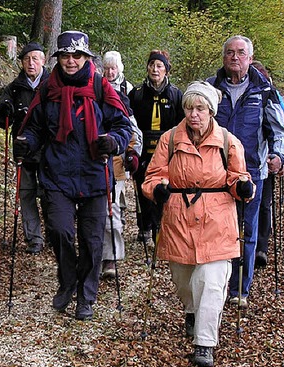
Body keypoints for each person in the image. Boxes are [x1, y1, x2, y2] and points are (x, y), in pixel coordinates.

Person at [16, 30, 132, 320]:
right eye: (65, 55)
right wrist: (27, 143)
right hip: (57, 174)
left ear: (86, 57)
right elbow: (35, 128)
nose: (71, 61)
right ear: (58, 58)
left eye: (77, 55)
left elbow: (123, 125)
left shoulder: (102, 88)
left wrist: (113, 142)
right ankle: (67, 281)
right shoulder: (48, 89)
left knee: (92, 241)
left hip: (94, 174)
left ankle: (86, 296)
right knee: (59, 231)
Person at [142, 81, 254, 367]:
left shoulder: (228, 141)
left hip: (217, 220)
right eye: (189, 108)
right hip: (179, 219)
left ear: (211, 111)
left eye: (200, 108)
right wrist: (158, 189)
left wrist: (243, 188)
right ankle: (191, 310)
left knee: (211, 281)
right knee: (184, 280)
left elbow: (239, 177)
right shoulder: (170, 139)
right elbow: (152, 176)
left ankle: (205, 342)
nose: (194, 114)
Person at [207, 35, 284, 307]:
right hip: (215, 172)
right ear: (223, 58)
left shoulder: (264, 91)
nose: (235, 57)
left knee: (247, 231)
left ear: (250, 58)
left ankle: (239, 289)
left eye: (241, 53)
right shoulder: (210, 88)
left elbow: (279, 130)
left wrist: (279, 156)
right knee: (217, 229)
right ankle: (216, 283)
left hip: (252, 172)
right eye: (230, 52)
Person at [0, 42, 50, 255]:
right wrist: (5, 111)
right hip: (23, 151)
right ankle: (34, 238)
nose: (31, 63)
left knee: (48, 194)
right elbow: (1, 122)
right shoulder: (14, 88)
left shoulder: (52, 84)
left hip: (48, 150)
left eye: (35, 58)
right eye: (27, 59)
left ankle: (54, 232)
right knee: (26, 194)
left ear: (43, 61)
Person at [129, 50, 185, 244]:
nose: (155, 69)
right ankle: (144, 226)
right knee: (143, 186)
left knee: (164, 187)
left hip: (167, 148)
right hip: (143, 148)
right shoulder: (136, 94)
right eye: (152, 65)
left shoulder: (176, 94)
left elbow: (181, 125)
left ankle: (160, 228)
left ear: (166, 70)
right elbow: (129, 123)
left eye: (159, 66)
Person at [101, 51, 143, 278]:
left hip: (115, 165)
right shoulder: (92, 92)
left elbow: (133, 130)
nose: (109, 72)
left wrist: (132, 153)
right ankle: (95, 256)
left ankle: (111, 258)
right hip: (90, 164)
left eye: (112, 68)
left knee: (112, 211)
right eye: (106, 68)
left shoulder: (124, 95)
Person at [250, 60, 284, 268]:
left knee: (264, 203)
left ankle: (261, 247)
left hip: (266, 156)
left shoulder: (269, 92)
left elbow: (283, 122)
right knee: (262, 204)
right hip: (255, 157)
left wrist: (279, 155)